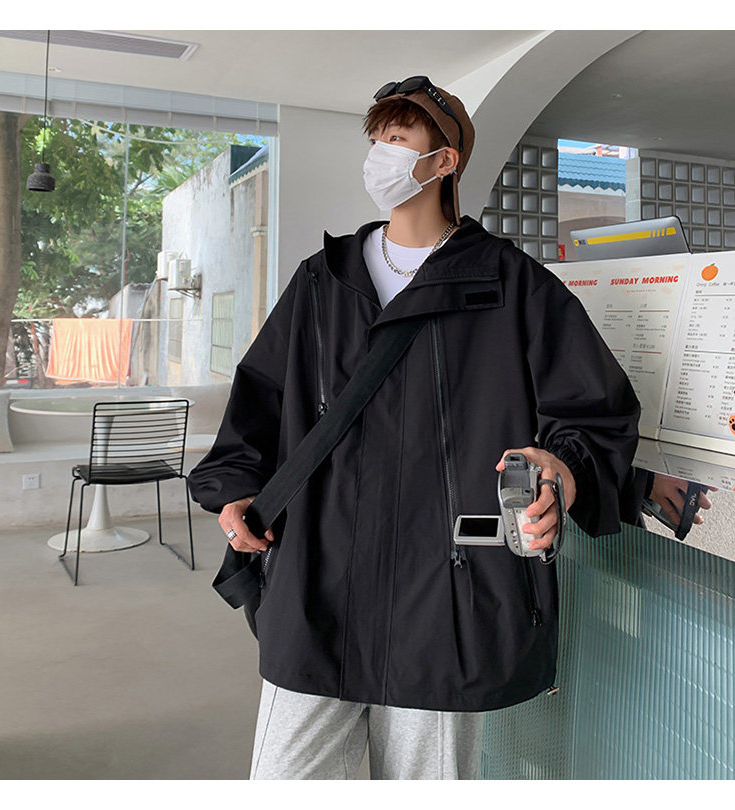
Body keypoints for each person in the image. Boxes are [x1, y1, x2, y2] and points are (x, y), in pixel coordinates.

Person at [187, 76, 643, 779]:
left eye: (398, 139)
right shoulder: (324, 280)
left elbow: (593, 412)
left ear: (443, 161)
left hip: (450, 595)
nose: (380, 154)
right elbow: (261, 396)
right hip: (317, 583)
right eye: (377, 139)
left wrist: (562, 472)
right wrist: (236, 489)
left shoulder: (512, 286)